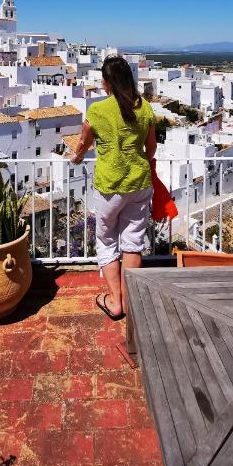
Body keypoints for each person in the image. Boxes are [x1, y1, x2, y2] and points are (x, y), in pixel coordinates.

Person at [70, 55, 157, 320]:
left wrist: (75, 158)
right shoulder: (146, 109)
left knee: (106, 241)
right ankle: (130, 302)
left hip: (110, 187)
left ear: (107, 83)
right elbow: (151, 148)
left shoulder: (97, 111)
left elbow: (83, 144)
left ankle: (116, 302)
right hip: (140, 183)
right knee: (133, 244)